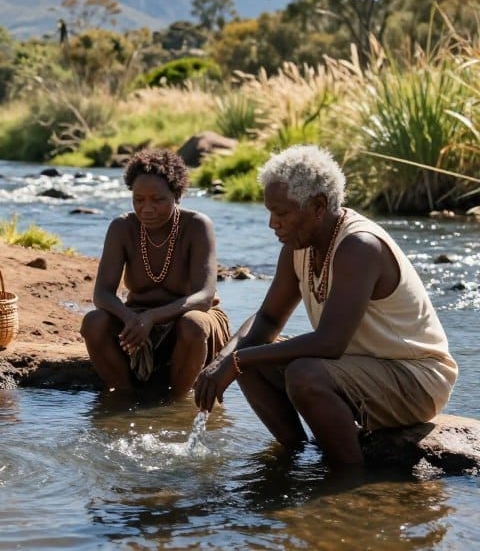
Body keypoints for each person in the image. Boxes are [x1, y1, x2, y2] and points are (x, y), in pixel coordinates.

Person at [194, 145, 458, 465]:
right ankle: (299, 454)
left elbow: (330, 343)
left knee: (303, 373)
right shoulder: (298, 246)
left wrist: (236, 360)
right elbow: (267, 317)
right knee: (252, 358)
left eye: (282, 213)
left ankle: (347, 479)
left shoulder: (359, 246)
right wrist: (225, 358)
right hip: (361, 366)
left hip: (417, 379)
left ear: (318, 206)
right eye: (269, 212)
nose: (272, 223)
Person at [81, 148, 230, 398]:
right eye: (139, 199)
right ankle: (124, 397)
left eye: (157, 200)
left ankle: (176, 403)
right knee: (94, 323)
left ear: (178, 195)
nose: (147, 209)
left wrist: (153, 317)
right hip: (137, 319)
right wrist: (129, 318)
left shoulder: (196, 226)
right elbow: (103, 294)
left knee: (193, 323)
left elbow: (204, 296)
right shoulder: (122, 228)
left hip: (188, 319)